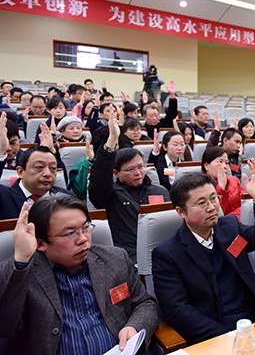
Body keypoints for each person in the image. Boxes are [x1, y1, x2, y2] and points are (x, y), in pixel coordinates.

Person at [0, 195, 157, 354]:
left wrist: (134, 326)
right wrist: (21, 261)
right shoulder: (21, 275)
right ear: (40, 243)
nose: (83, 239)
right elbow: (5, 327)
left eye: (85, 228)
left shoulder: (115, 259)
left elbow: (144, 303)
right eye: (70, 233)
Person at [152, 167, 255, 345]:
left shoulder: (229, 227)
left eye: (213, 198)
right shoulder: (168, 254)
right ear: (181, 212)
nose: (212, 208)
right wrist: (226, 336)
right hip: (214, 331)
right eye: (202, 203)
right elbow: (177, 310)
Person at [88, 115, 170, 262]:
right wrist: (112, 139)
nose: (138, 173)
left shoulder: (160, 192)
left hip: (163, 254)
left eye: (140, 167)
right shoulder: (111, 195)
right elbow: (100, 178)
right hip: (129, 258)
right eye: (131, 169)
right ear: (116, 173)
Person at [0, 115, 74, 219]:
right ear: (21, 172)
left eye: (53, 169)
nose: (47, 174)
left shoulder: (68, 198)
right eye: (39, 167)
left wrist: (52, 153)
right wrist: (1, 153)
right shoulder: (4, 198)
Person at [202, 146, 244, 220]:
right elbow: (215, 215)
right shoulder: (201, 187)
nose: (225, 166)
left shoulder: (234, 180)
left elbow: (246, 205)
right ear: (206, 166)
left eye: (227, 163)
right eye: (220, 162)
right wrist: (221, 187)